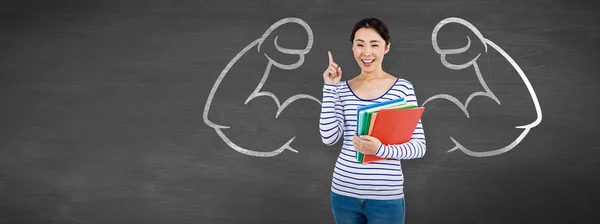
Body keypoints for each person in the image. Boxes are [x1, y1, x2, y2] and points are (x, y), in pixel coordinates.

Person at [319, 17, 426, 224]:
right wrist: (330, 87)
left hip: (386, 198)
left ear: (386, 47)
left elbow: (419, 147)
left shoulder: (402, 89)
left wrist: (379, 150)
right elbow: (329, 137)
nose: (366, 52)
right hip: (343, 194)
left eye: (374, 44)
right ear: (353, 48)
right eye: (360, 45)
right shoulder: (340, 89)